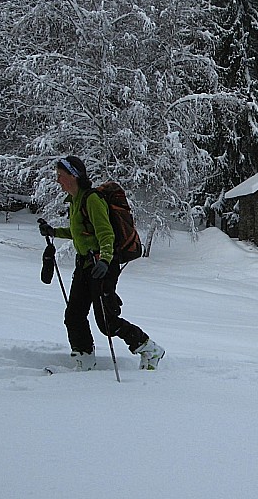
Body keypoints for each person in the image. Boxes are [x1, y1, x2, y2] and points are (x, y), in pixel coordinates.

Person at [38, 156, 165, 371]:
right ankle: (84, 359)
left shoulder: (92, 199)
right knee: (74, 315)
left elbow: (106, 235)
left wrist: (105, 260)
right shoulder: (75, 201)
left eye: (61, 176)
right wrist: (54, 232)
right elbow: (82, 233)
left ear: (74, 175)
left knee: (107, 321)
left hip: (101, 265)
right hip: (85, 266)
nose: (58, 180)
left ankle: (148, 348)